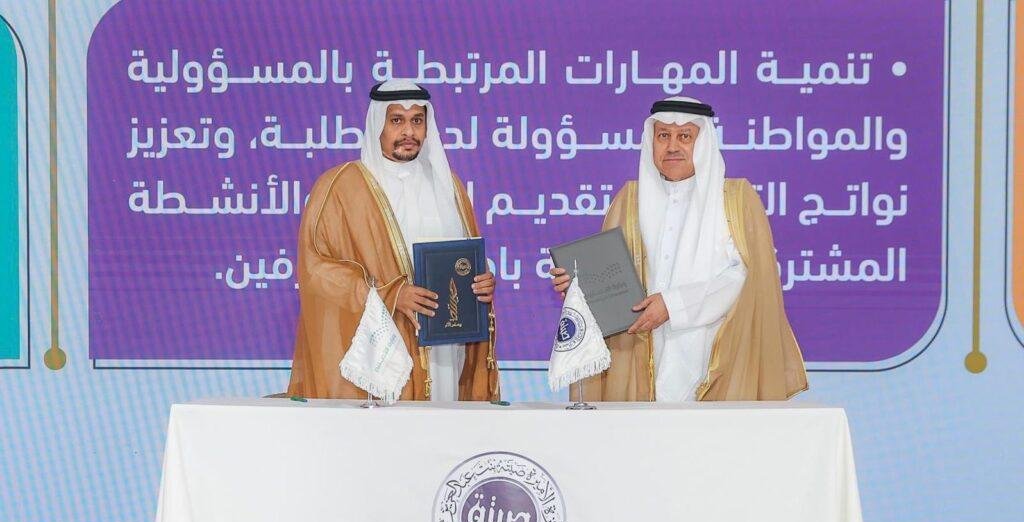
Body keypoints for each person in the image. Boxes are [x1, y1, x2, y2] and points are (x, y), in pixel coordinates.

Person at [550, 97, 806, 401]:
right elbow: (612, 278)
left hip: (714, 359)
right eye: (663, 136)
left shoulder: (736, 199)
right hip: (640, 361)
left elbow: (747, 278)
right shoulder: (629, 200)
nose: (673, 146)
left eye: (685, 136)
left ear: (703, 142)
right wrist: (580, 290)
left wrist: (674, 305)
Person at [288, 79, 499, 400]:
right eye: (397, 120)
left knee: (444, 424)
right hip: (380, 349)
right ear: (378, 124)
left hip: (444, 349)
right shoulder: (340, 187)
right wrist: (390, 295)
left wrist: (481, 283)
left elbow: (466, 261)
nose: (408, 132)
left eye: (417, 120)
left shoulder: (449, 186)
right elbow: (316, 271)